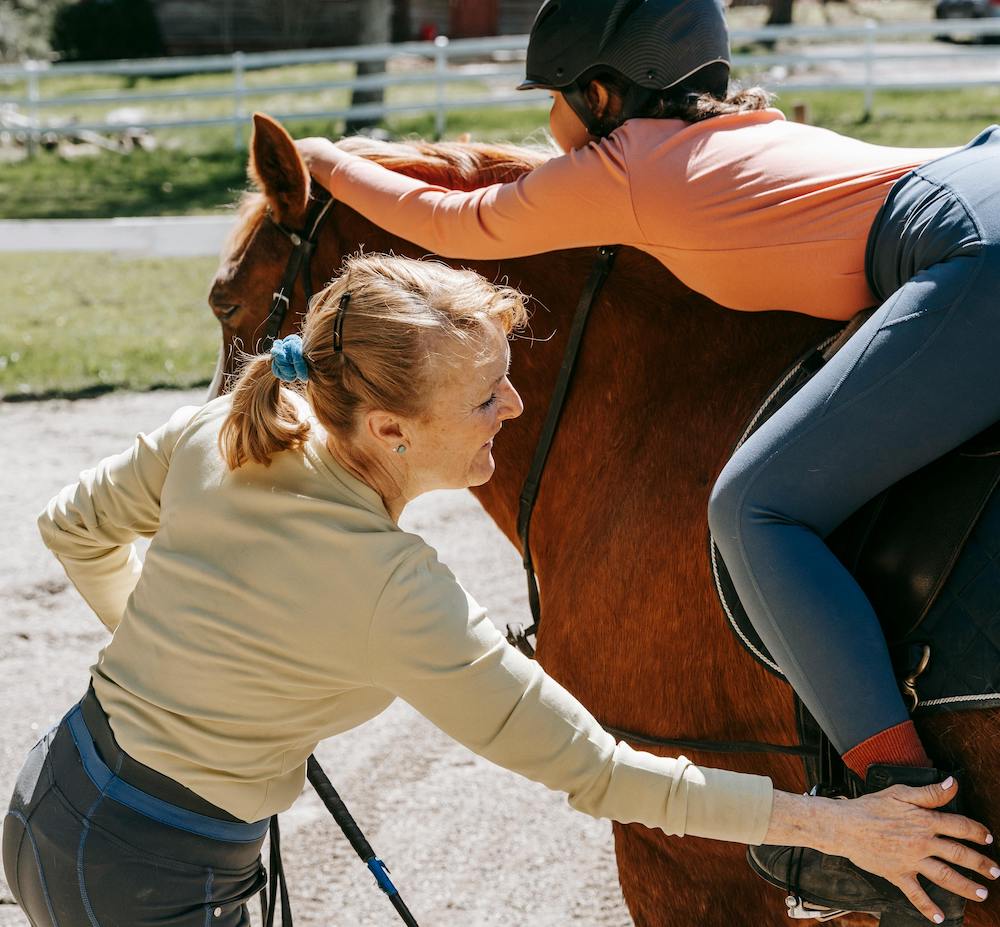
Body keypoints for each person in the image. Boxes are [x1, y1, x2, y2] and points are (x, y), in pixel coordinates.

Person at [3, 254, 994, 927]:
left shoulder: (224, 427)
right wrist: (841, 826)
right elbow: (601, 773)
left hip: (61, 792)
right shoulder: (393, 590)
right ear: (388, 431)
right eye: (484, 398)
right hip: (148, 871)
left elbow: (73, 527)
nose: (513, 409)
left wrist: (175, 667)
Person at [292, 0, 1000, 920]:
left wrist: (325, 161)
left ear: (599, 93)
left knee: (756, 510)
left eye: (553, 98)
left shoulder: (627, 167)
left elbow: (452, 222)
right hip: (972, 180)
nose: (548, 126)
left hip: (974, 254)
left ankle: (899, 800)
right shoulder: (755, 136)